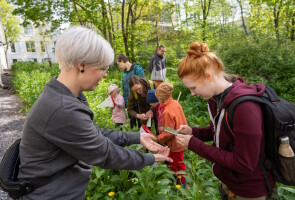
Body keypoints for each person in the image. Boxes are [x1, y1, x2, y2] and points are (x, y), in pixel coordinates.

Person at [18, 26, 173, 200]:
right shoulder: (63, 108)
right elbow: (105, 153)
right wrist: (149, 159)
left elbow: (93, 134)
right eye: (103, 68)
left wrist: (136, 137)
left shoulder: (65, 96)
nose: (105, 75)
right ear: (82, 65)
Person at [176, 42, 277, 199]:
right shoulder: (215, 99)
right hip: (230, 183)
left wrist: (194, 144)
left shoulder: (245, 107)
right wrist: (193, 132)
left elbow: (244, 163)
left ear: (208, 76)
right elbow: (217, 131)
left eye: (193, 87)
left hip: (250, 191)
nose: (192, 93)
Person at [155, 82, 187, 186]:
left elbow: (169, 133)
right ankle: (176, 182)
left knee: (177, 164)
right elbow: (175, 124)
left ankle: (181, 185)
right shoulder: (175, 103)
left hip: (175, 143)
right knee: (176, 162)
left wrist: (158, 138)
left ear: (161, 97)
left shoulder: (167, 111)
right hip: (182, 137)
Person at [117, 54, 144, 129]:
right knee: (132, 123)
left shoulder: (137, 69)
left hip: (138, 102)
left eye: (119, 64)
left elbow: (142, 85)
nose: (119, 66)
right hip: (129, 103)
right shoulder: (124, 73)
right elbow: (124, 87)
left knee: (140, 123)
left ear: (122, 61)